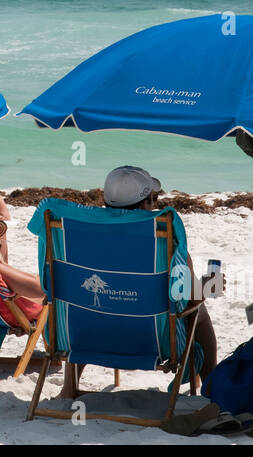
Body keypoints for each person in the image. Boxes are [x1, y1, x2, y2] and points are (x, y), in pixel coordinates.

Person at [59, 165, 221, 399]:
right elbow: (189, 299)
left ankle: (68, 388)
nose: (154, 204)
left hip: (92, 338)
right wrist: (209, 284)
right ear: (146, 203)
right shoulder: (164, 242)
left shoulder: (78, 238)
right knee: (199, 311)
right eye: (153, 198)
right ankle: (211, 388)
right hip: (151, 343)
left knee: (79, 303)